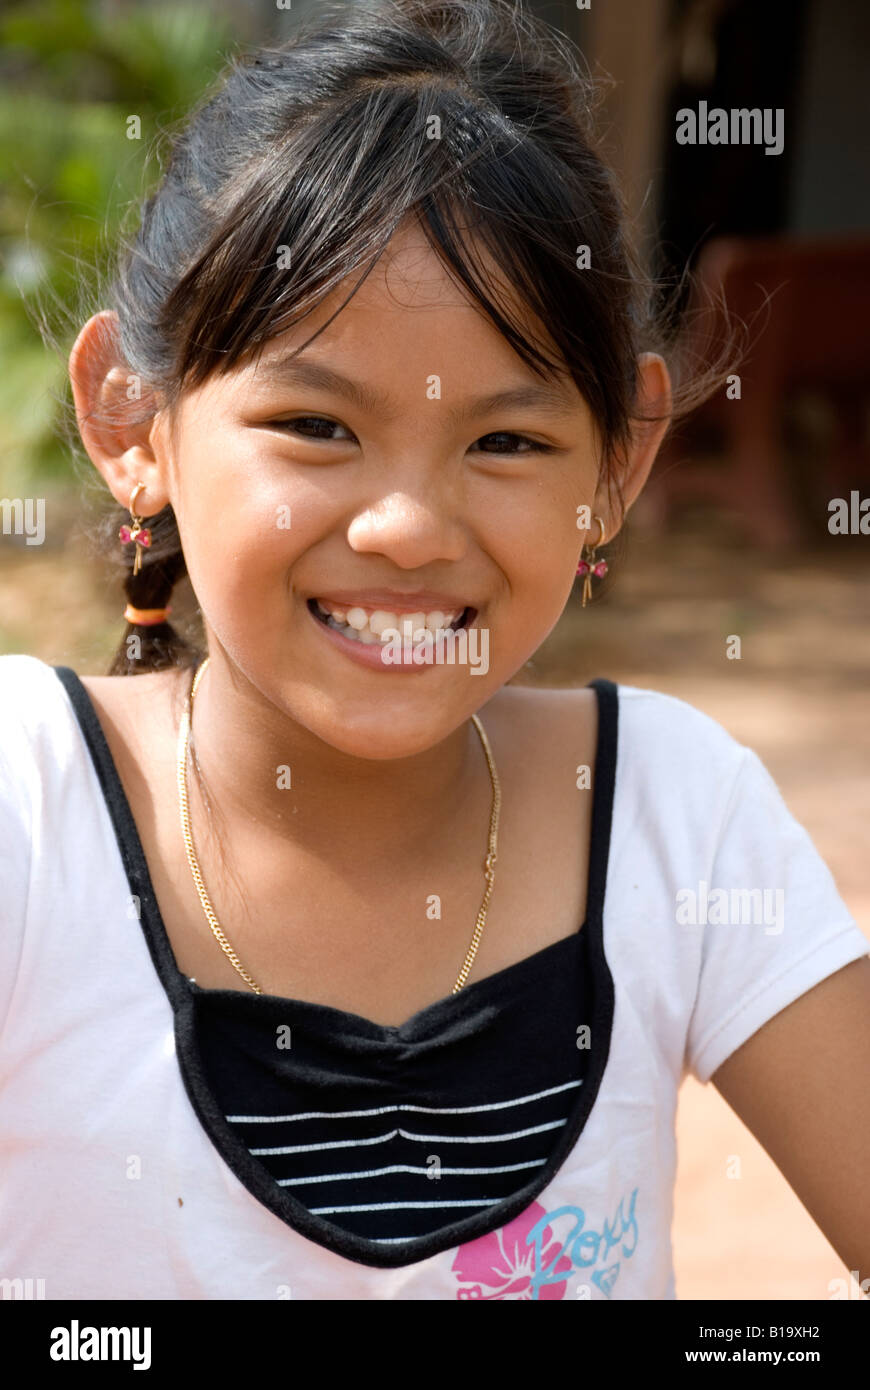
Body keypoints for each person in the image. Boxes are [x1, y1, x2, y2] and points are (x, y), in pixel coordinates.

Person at [1, 0, 868, 1302]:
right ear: (136, 420)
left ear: (617, 463)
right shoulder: (29, 816)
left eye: (505, 441)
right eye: (314, 424)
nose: (407, 527)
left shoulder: (672, 817)